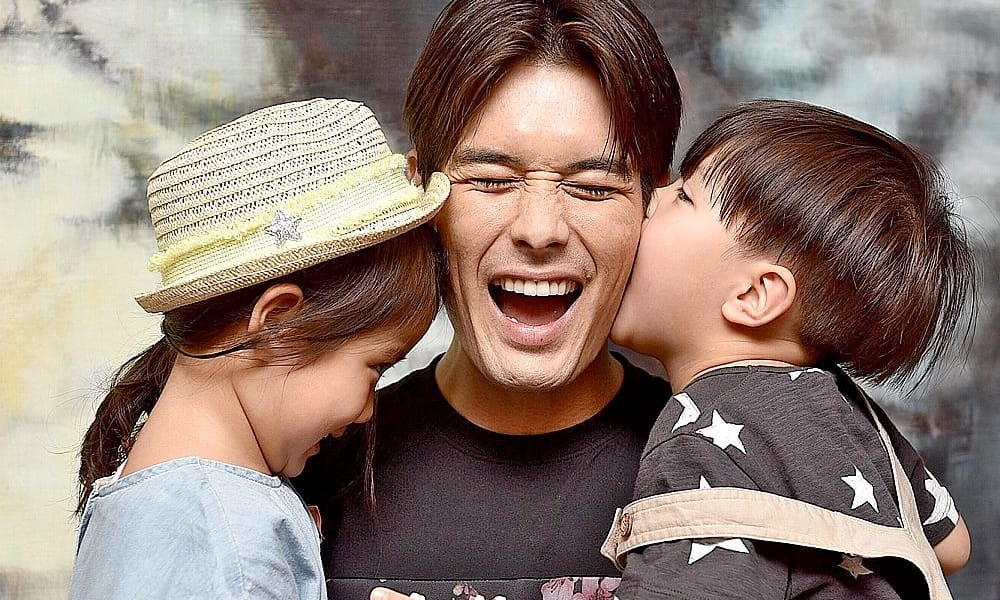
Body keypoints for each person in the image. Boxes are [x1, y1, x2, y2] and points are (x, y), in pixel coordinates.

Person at [294, 1, 682, 598]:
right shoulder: (307, 462)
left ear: (654, 206)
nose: (539, 229)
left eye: (591, 187)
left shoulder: (723, 468)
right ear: (420, 198)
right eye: (493, 181)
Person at [69, 98, 449, 599]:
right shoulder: (229, 537)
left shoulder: (151, 498)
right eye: (375, 368)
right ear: (278, 325)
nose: (366, 411)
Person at [605, 99, 974, 599]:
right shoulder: (847, 408)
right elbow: (952, 545)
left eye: (685, 195)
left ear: (754, 296)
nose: (651, 196)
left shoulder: (697, 436)